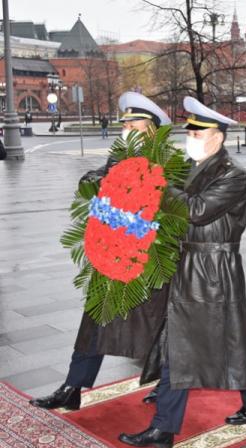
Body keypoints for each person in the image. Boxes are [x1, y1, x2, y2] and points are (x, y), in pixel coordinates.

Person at [119, 97, 246, 448]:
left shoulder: (233, 174)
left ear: (216, 137)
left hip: (215, 270)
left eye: (196, 132)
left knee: (226, 341)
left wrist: (156, 183)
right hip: (188, 263)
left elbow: (198, 210)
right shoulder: (191, 165)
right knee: (193, 345)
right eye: (189, 131)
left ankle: (169, 426)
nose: (190, 137)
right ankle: (169, 425)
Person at [29, 92, 172, 411]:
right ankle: (72, 387)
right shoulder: (120, 158)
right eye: (125, 123)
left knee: (155, 326)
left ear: (152, 129)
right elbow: (88, 182)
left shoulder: (165, 161)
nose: (126, 128)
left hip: (146, 262)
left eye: (133, 123)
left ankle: (168, 384)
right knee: (93, 322)